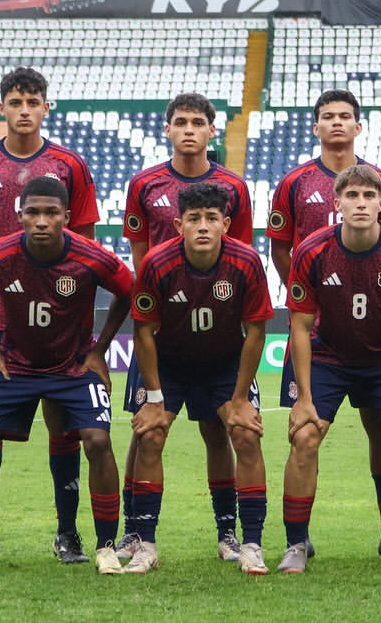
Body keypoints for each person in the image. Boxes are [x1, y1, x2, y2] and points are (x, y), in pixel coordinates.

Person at [0, 177, 132, 575]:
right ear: (19, 216)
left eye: (51, 213)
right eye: (33, 212)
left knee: (97, 440)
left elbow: (128, 290)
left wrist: (99, 350)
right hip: (15, 366)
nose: (41, 221)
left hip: (72, 368)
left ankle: (106, 546)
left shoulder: (91, 257)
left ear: (67, 218)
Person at [0, 67, 101, 565]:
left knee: (67, 428)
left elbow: (84, 241)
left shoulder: (69, 166)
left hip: (60, 321)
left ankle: (68, 534)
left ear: (45, 108)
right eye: (15, 101)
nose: (24, 110)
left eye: (33, 102)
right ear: (2, 107)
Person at [268, 89, 381, 560]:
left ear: (358, 126)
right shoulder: (294, 183)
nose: (337, 123)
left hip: (377, 336)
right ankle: (297, 540)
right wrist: (314, 294)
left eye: (346, 116)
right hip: (320, 334)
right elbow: (282, 247)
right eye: (328, 116)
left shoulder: (380, 179)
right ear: (316, 126)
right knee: (305, 432)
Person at [279, 165, 381, 574]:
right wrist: (305, 399)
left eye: (369, 196)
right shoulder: (312, 250)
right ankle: (296, 544)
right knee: (305, 436)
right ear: (337, 203)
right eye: (352, 196)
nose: (361, 203)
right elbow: (298, 326)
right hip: (329, 356)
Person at [119, 93, 253, 563]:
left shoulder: (234, 188)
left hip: (217, 329)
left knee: (220, 431)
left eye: (199, 122)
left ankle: (228, 533)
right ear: (168, 129)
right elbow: (139, 256)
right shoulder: (144, 184)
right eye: (181, 122)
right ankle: (134, 533)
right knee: (146, 429)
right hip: (160, 330)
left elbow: (242, 256)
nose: (190, 129)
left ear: (212, 131)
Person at [126, 183, 273, 575]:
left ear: (226, 223)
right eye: (194, 219)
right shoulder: (157, 264)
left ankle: (247, 542)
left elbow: (256, 330)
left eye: (211, 218)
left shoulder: (247, 262)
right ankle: (146, 544)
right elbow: (142, 331)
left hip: (223, 364)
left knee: (243, 433)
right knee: (150, 435)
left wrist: (241, 398)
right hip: (170, 363)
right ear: (178, 224)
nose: (203, 226)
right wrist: (155, 397)